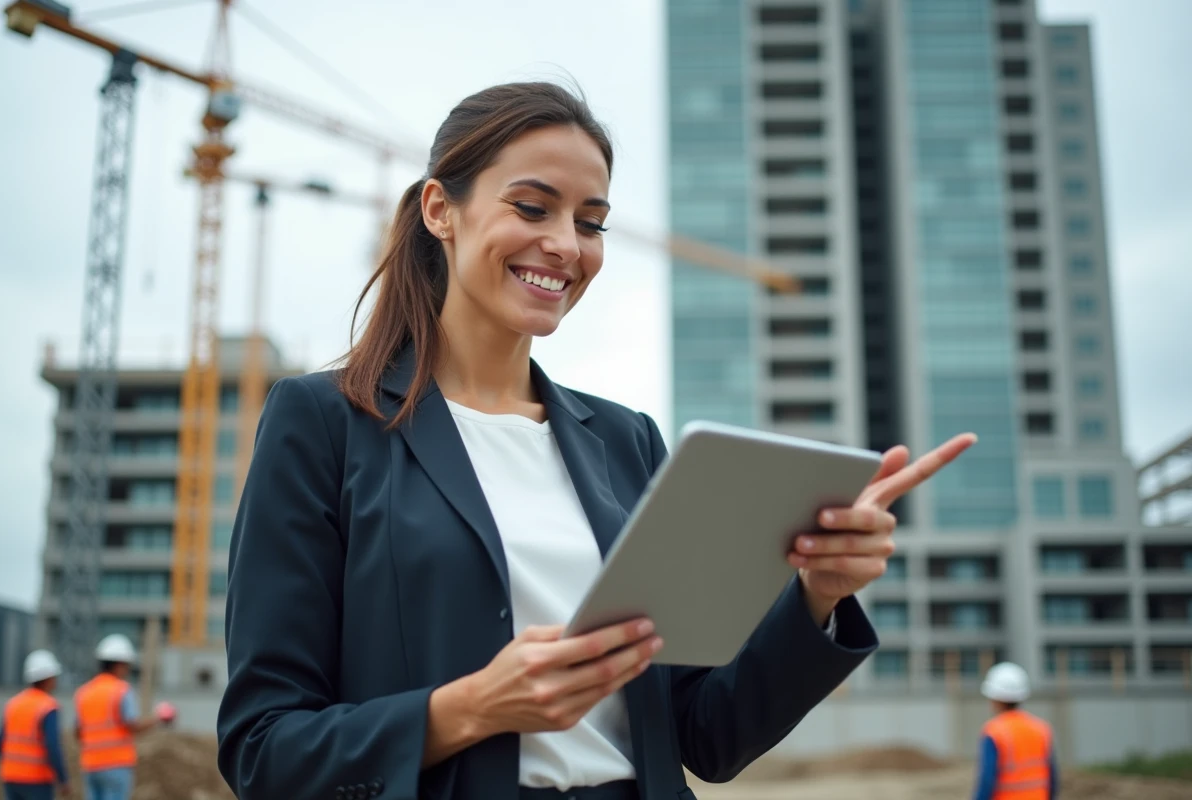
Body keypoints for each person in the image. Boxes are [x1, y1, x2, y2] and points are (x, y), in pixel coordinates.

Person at [216, 81, 976, 800]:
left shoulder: (624, 440)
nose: (564, 245)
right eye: (533, 207)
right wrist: (472, 708)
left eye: (589, 221)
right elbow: (264, 748)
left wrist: (819, 595)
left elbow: (706, 734)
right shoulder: (322, 422)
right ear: (440, 210)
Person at [74, 634, 172, 800]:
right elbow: (132, 726)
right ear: (119, 664)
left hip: (90, 764)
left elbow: (78, 732)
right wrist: (158, 718)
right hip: (116, 765)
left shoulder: (84, 692)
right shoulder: (121, 690)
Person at [973, 662, 1059, 800]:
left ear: (995, 698)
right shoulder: (1041, 728)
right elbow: (1052, 777)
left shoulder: (994, 731)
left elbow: (987, 779)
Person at [0, 650, 70, 800]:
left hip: (11, 776)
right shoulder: (47, 706)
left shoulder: (13, 704)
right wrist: (63, 779)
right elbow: (53, 747)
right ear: (48, 678)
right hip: (37, 779)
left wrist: (11, 765)